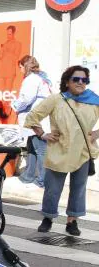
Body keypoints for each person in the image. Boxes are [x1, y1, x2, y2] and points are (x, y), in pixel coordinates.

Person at [24, 66, 98, 237]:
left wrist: (96, 133)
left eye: (84, 80)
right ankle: (48, 218)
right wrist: (42, 134)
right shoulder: (56, 99)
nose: (81, 83)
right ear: (67, 81)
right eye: (76, 79)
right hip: (59, 151)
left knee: (78, 189)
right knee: (52, 189)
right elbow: (33, 116)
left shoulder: (94, 100)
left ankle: (72, 221)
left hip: (83, 152)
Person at [13, 56, 53, 188]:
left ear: (25, 66)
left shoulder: (32, 80)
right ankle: (28, 175)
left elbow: (26, 99)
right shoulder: (42, 78)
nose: (19, 70)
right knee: (31, 147)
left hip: (36, 119)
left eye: (20, 67)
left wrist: (14, 105)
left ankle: (42, 179)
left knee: (40, 149)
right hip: (38, 118)